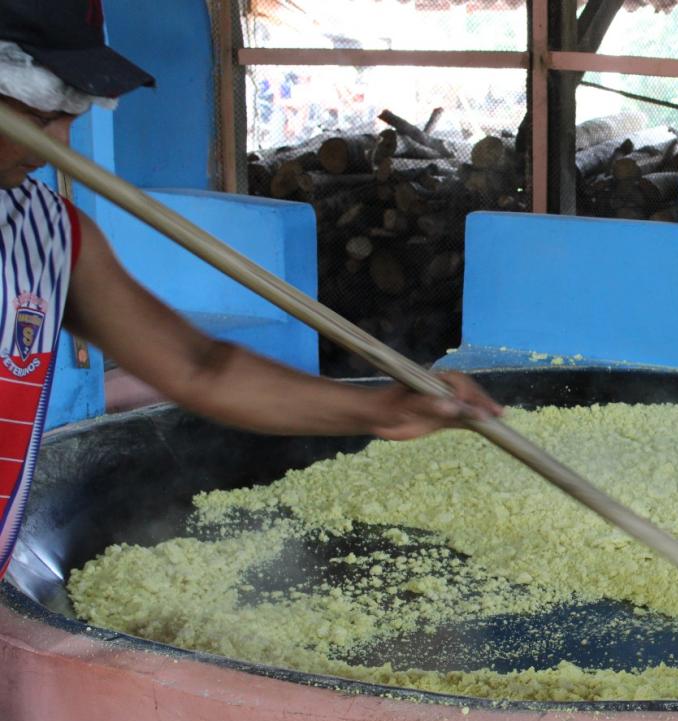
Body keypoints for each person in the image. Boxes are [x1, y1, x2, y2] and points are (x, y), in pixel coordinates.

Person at [0, 0, 502, 574]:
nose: (61, 144)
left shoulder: (50, 235)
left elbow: (199, 367)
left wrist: (380, 409)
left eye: (72, 113)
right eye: (43, 117)